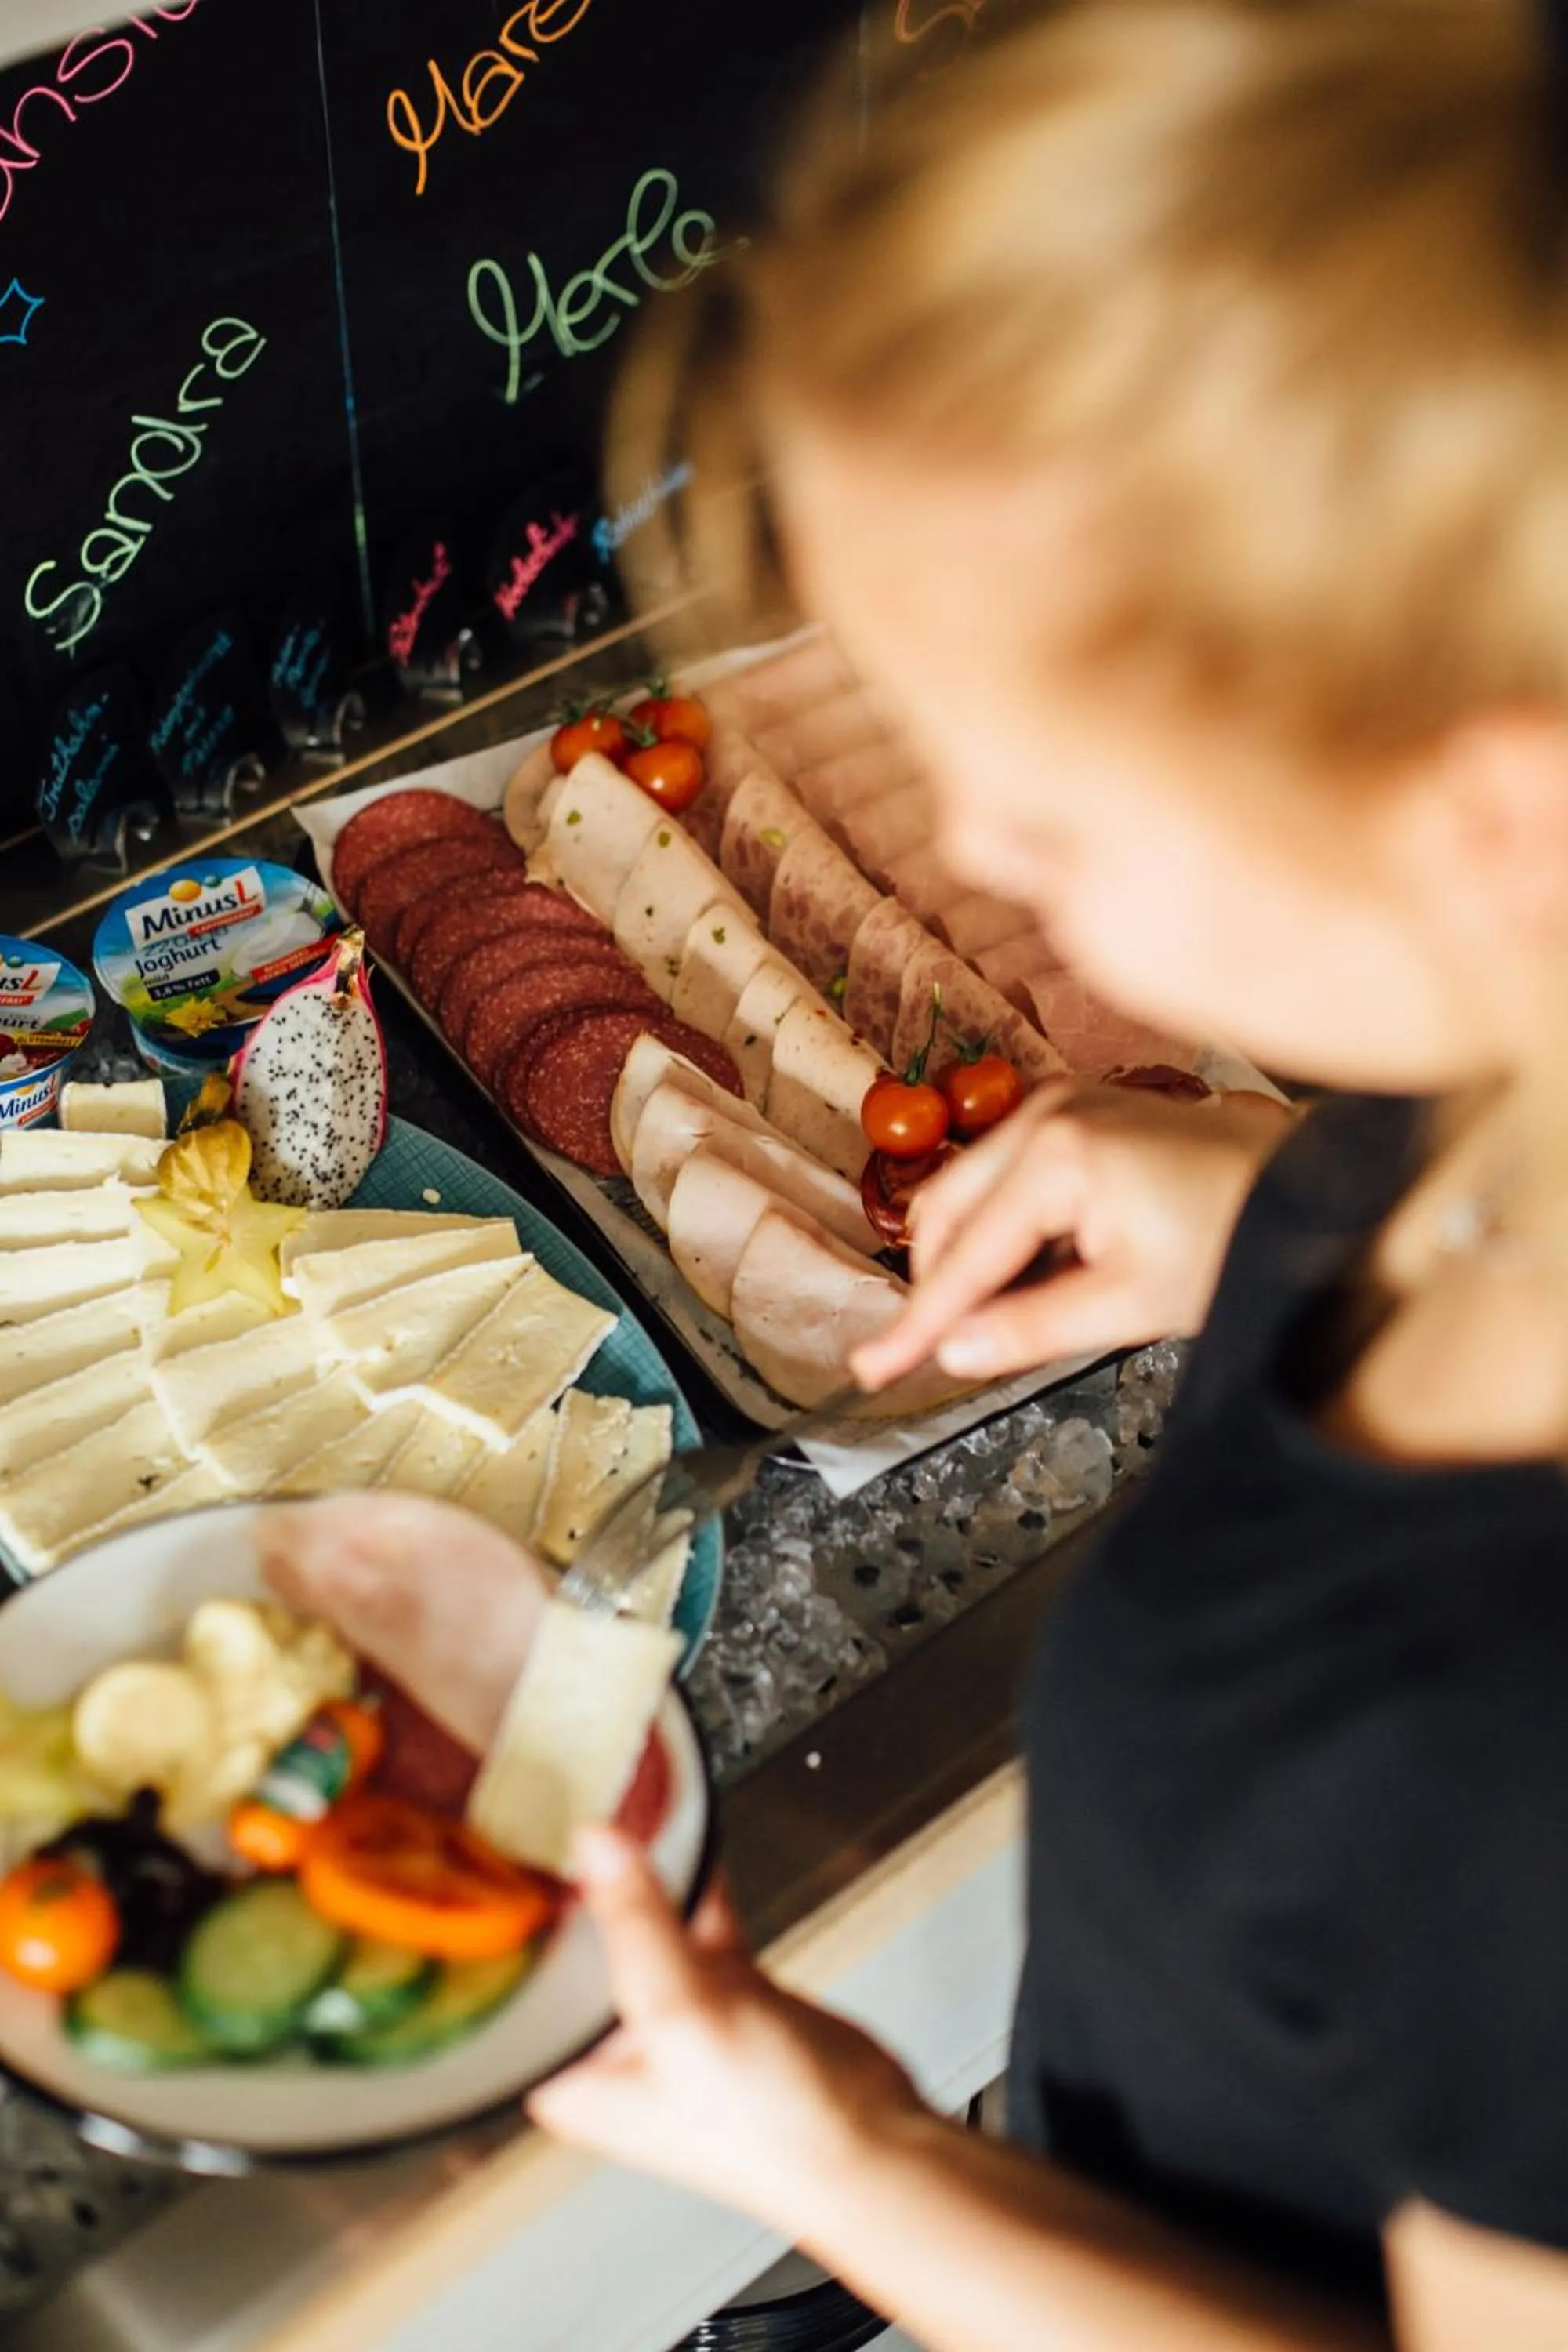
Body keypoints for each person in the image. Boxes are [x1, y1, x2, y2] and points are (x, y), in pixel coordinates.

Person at [525, 3, 1568, 2344]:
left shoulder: (1516, 1754)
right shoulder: (1497, 1099)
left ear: (1493, 819)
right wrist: (1274, 1206)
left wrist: (850, 2162)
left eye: (1054, 805)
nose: (978, 848)